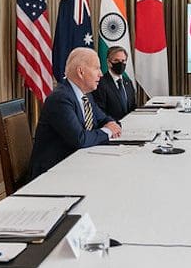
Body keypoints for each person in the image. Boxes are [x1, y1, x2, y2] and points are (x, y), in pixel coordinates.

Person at [30, 47, 122, 179]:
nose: (101, 74)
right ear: (81, 72)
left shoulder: (86, 96)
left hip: (77, 163)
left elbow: (105, 119)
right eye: (96, 68)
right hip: (52, 174)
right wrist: (108, 131)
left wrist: (111, 125)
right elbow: (80, 139)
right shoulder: (60, 99)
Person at [93, 46, 137, 122]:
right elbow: (100, 112)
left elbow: (132, 107)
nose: (120, 64)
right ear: (108, 62)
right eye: (116, 60)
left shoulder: (128, 82)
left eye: (123, 61)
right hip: (111, 128)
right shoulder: (100, 84)